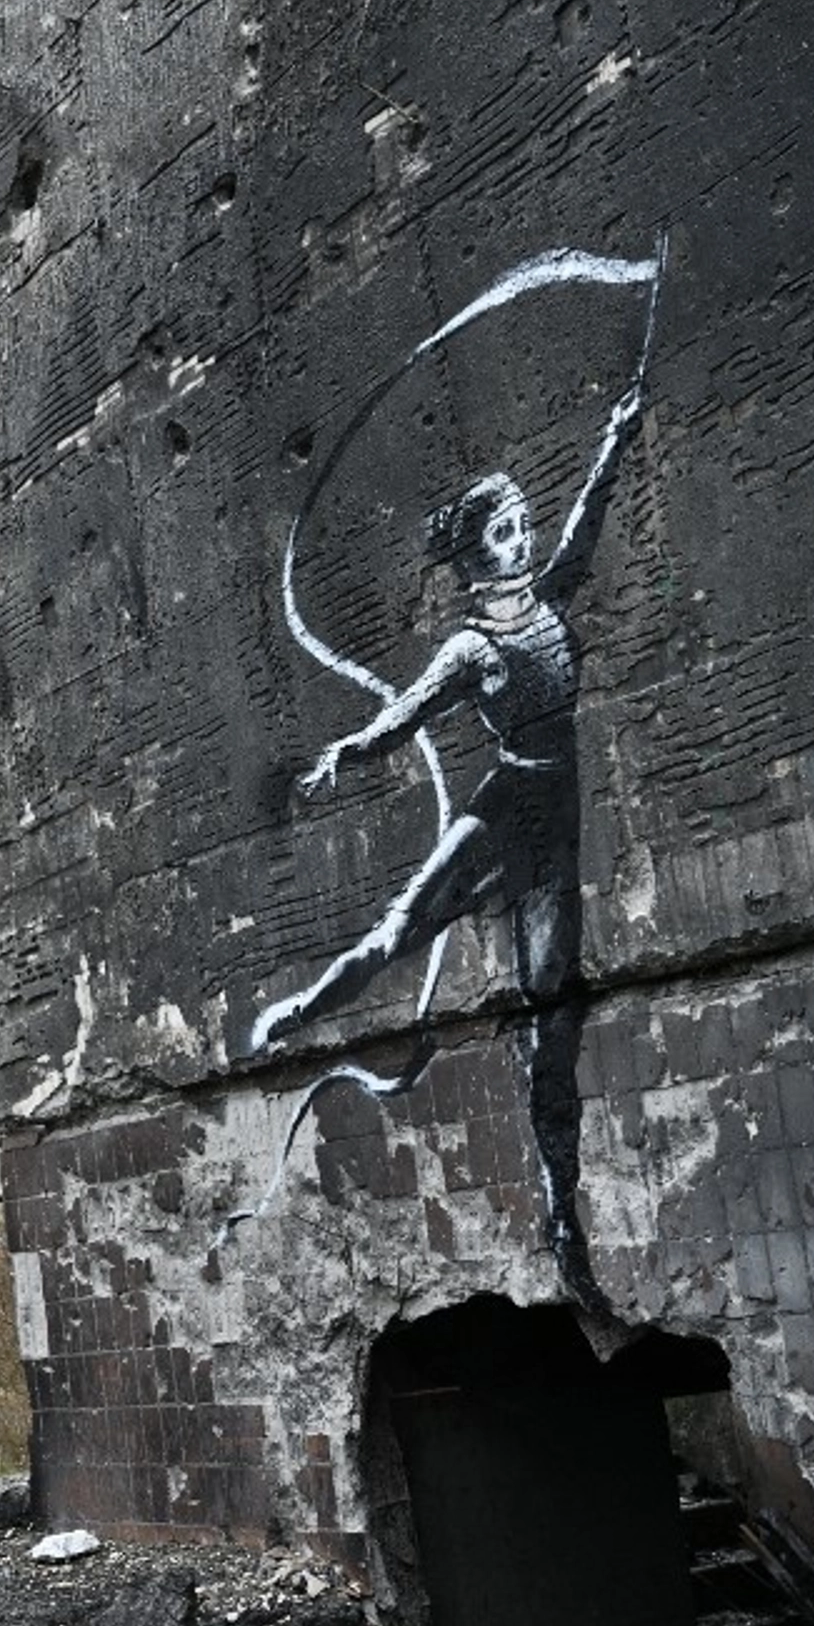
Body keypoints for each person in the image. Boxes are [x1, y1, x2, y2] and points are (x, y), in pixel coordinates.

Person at [250, 384, 645, 1310]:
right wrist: (344, 754)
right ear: (475, 559)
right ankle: (303, 1008)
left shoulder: (546, 602)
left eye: (522, 524)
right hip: (504, 805)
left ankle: (561, 1211)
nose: (525, 539)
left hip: (555, 828)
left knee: (554, 1021)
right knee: (403, 924)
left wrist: (617, 439)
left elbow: (585, 527)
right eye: (506, 531)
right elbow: (406, 713)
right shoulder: (470, 646)